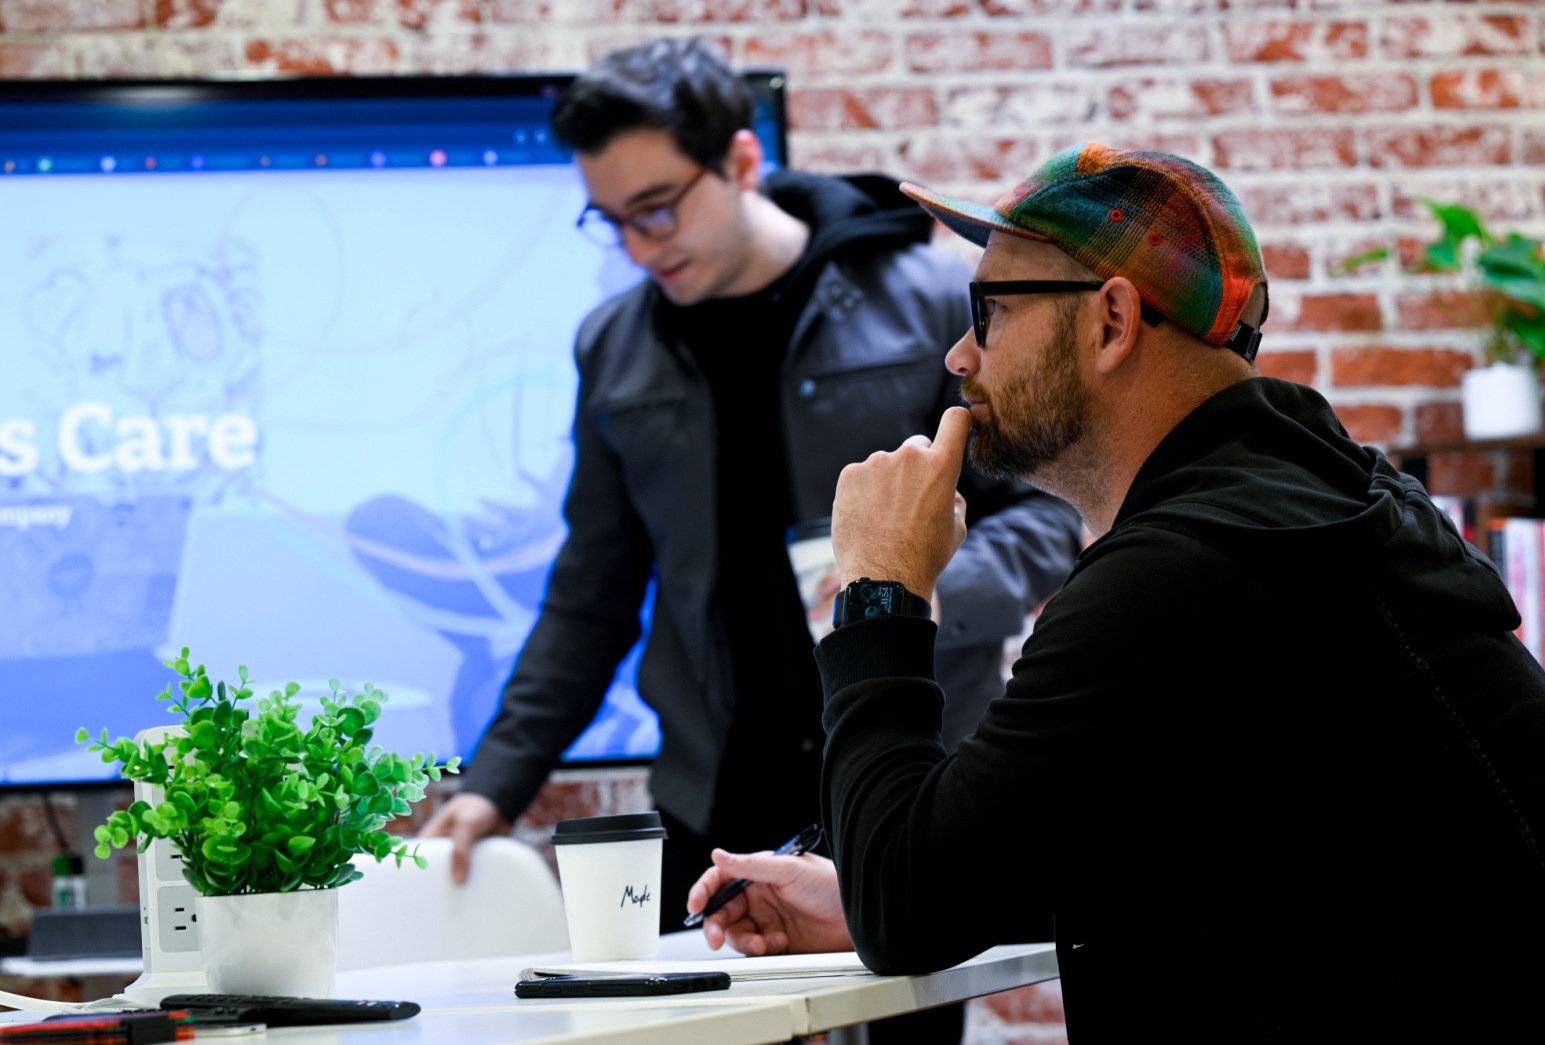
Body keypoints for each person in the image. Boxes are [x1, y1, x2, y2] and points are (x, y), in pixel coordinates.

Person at [687, 142, 1545, 1042]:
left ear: (1110, 320)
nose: (958, 356)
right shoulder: (1304, 502)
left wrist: (879, 588)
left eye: (986, 312)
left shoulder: (1185, 566)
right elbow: (1201, 856)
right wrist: (861, 894)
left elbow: (910, 909)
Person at [420, 38, 1079, 945]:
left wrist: (900, 598)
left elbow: (1041, 515)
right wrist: (494, 782)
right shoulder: (610, 346)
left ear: (739, 159)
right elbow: (590, 597)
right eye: (610, 220)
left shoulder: (928, 298)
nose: (638, 245)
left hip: (902, 775)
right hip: (709, 798)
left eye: (655, 208)